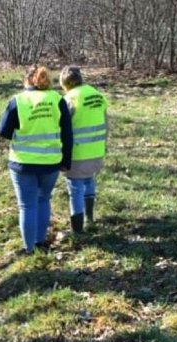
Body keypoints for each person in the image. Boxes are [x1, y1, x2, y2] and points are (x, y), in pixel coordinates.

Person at [0, 65, 73, 254]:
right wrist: (66, 161)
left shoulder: (18, 101)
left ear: (27, 81)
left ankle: (29, 249)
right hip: (51, 163)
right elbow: (67, 134)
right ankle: (40, 243)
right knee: (43, 200)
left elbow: (3, 132)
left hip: (23, 163)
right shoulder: (57, 100)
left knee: (27, 205)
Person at [59, 66, 108, 233]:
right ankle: (90, 218)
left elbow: (62, 127)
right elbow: (105, 120)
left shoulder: (69, 99)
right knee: (89, 181)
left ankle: (77, 230)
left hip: (77, 153)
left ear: (64, 83)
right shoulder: (97, 95)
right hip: (96, 150)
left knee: (75, 189)